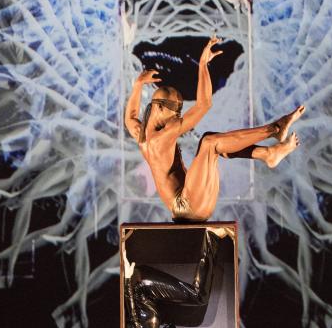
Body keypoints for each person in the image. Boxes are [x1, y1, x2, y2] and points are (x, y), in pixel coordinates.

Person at [125, 37, 304, 221]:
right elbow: (204, 104)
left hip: (187, 203)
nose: (179, 116)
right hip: (186, 206)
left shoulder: (142, 134)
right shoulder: (162, 137)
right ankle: (275, 129)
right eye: (176, 110)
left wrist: (138, 84)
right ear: (159, 107)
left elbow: (130, 116)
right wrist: (203, 65)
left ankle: (267, 154)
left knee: (213, 141)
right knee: (210, 143)